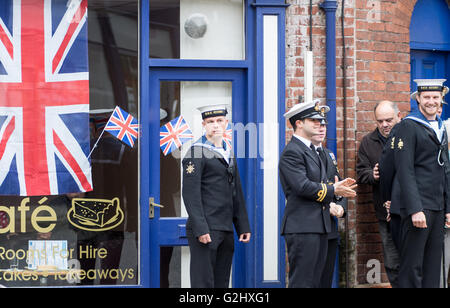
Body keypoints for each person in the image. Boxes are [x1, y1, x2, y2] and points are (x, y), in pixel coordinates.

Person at [279, 99, 357, 288]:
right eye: (314, 120)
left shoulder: (318, 152)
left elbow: (331, 182)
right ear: (298, 123)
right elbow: (302, 186)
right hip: (303, 227)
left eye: (321, 121)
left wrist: (338, 197)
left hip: (322, 226)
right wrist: (333, 190)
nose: (320, 125)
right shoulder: (292, 152)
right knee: (304, 283)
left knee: (321, 282)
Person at [388, 79, 450, 288]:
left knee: (433, 266)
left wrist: (448, 207)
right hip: (418, 207)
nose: (431, 101)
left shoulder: (440, 125)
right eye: (427, 97)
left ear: (441, 99)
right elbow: (405, 170)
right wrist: (415, 209)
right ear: (418, 100)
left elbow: (445, 169)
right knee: (412, 267)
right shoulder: (408, 125)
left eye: (435, 97)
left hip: (437, 206)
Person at [182, 104, 251, 288]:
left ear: (226, 123)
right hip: (206, 229)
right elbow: (190, 193)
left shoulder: (228, 152)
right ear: (204, 124)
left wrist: (242, 224)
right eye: (210, 121)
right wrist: (201, 228)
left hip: (225, 228)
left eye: (219, 121)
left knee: (221, 282)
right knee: (203, 284)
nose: (215, 125)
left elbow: (236, 191)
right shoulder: (196, 151)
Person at [356, 100, 401, 287]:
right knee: (391, 260)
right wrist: (372, 175)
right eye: (380, 121)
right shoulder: (368, 142)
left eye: (389, 120)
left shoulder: (410, 136)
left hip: (413, 210)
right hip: (385, 213)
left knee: (415, 258)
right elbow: (361, 173)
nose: (384, 125)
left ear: (399, 117)